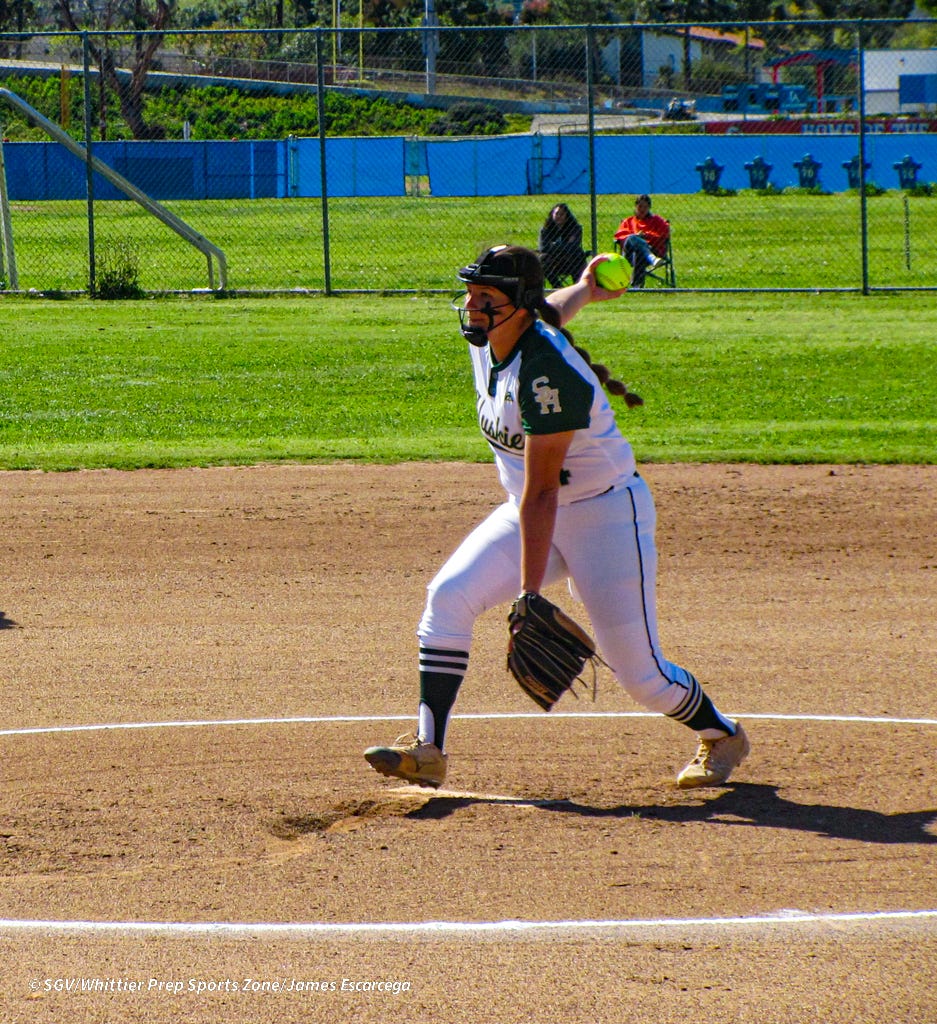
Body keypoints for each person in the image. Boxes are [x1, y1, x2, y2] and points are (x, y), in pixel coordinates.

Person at [364, 245, 749, 792]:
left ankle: (721, 734)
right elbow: (552, 310)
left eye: (486, 298)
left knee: (641, 677)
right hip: (531, 510)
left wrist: (528, 594)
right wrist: (589, 289)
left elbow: (544, 489)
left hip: (604, 519)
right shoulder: (495, 334)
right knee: (448, 596)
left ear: (516, 304)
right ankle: (428, 750)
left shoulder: (547, 375)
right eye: (471, 294)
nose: (472, 307)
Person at [613, 194, 670, 288]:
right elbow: (619, 236)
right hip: (629, 255)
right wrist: (636, 236)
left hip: (653, 250)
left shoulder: (657, 221)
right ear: (635, 207)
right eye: (640, 206)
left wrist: (646, 236)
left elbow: (663, 235)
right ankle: (651, 258)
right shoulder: (628, 221)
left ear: (649, 208)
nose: (642, 209)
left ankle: (636, 286)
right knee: (633, 238)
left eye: (645, 207)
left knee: (639, 251)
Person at [538, 202, 587, 289]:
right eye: (556, 214)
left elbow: (574, 247)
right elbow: (543, 248)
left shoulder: (575, 228)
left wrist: (553, 246)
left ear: (567, 216)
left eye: (562, 214)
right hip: (553, 262)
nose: (559, 216)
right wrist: (565, 245)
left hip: (570, 261)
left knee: (578, 255)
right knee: (542, 259)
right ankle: (558, 287)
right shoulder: (545, 229)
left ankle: (578, 287)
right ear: (552, 215)